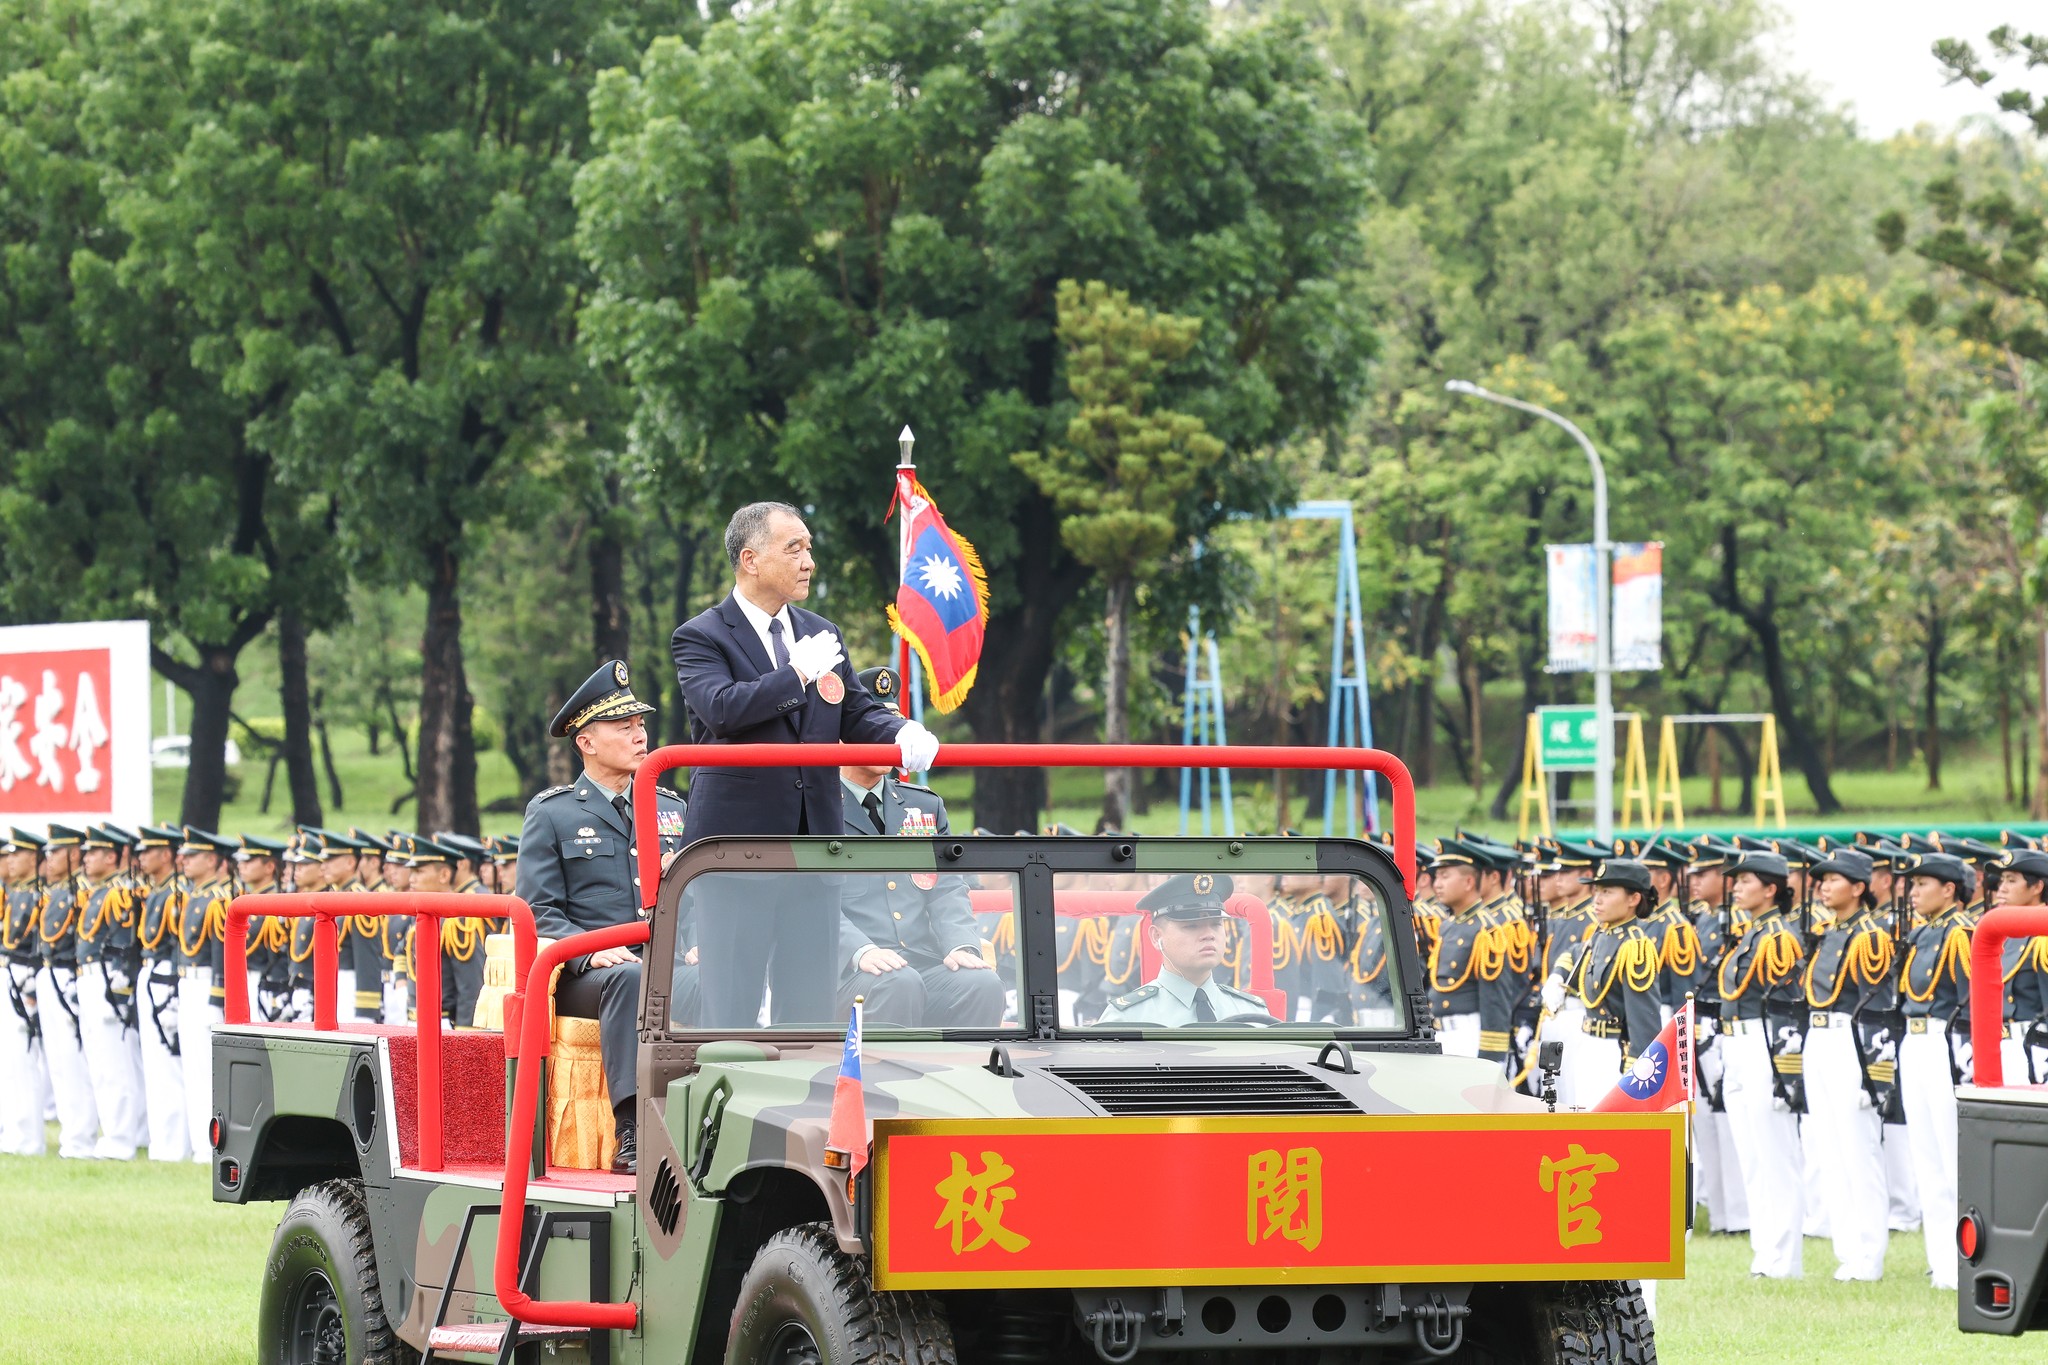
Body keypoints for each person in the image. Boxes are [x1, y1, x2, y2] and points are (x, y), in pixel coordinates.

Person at [671, 501, 938, 1028]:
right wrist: (793, 676)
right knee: (731, 1008)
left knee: (809, 1011)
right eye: (793, 548)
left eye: (809, 548)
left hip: (815, 845)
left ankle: (805, 1107)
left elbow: (856, 712)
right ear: (750, 559)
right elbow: (722, 710)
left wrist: (901, 730)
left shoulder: (821, 631)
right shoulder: (702, 635)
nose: (808, 561)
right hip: (736, 849)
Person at [517, 659, 690, 1174]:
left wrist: (699, 940)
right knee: (631, 977)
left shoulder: (669, 807)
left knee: (720, 973)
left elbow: (696, 895)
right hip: (588, 974)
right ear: (586, 743)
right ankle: (634, 1128)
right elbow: (538, 911)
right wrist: (588, 949)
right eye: (624, 727)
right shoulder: (552, 813)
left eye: (640, 725)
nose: (640, 736)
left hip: (658, 960)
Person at [837, 674, 1004, 1028]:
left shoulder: (923, 806)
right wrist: (859, 950)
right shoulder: (814, 809)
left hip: (918, 963)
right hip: (844, 970)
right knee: (899, 984)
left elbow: (946, 887)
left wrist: (961, 946)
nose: (886, 741)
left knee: (981, 984)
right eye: (874, 729)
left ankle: (963, 1084)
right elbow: (807, 899)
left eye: (892, 729)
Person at [1800, 848, 1895, 1282]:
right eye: (1823, 878)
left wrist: (1875, 1072)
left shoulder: (1869, 936)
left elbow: (1877, 1006)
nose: (1824, 885)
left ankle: (1869, 1255)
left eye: (1834, 879)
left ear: (1859, 888)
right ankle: (1848, 1253)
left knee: (1859, 1150)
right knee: (1829, 1148)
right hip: (1818, 1037)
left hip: (1849, 1040)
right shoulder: (1827, 932)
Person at [1716, 848, 1807, 1279]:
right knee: (1752, 1156)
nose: (1736, 887)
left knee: (1776, 1155)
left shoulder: (1778, 939)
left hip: (1763, 1046)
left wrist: (1785, 1074)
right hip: (1738, 1045)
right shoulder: (1751, 934)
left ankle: (1784, 1260)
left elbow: (1788, 1011)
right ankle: (1765, 1254)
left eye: (1746, 881)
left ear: (1771, 889)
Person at [1898, 850, 1974, 1292]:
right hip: (1915, 1040)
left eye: (1922, 884)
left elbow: (1969, 1000)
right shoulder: (1922, 934)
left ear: (1949, 890)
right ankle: (1942, 1265)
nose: (1914, 891)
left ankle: (1965, 1261)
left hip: (1945, 1043)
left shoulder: (1960, 933)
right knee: (1926, 1159)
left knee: (1953, 1160)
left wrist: (1969, 1059)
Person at [1097, 874, 1273, 1026]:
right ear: (1157, 936)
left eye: (1216, 924)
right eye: (1191, 926)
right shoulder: (1127, 1018)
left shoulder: (1251, 1012)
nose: (1208, 934)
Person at [1557, 859, 1663, 1110]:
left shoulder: (1635, 946)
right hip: (1589, 1045)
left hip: (1615, 1053)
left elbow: (1644, 1023)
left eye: (1607, 892)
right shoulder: (1602, 934)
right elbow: (1574, 953)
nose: (1598, 899)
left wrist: (1638, 1075)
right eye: (1597, 891)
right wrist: (1557, 976)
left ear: (1633, 899)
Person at [73, 826, 144, 1159]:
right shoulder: (99, 892)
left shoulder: (117, 894)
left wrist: (119, 992)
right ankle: (113, 1133)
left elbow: (123, 947)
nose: (86, 858)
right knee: (99, 1065)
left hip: (105, 981)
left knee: (114, 1065)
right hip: (88, 978)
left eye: (94, 852)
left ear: (113, 857)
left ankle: (120, 1138)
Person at [35, 825, 99, 1159]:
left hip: (70, 976)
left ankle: (81, 1137)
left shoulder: (84, 892)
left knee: (74, 1062)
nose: (49, 858)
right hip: (50, 973)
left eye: (56, 852)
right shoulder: (57, 891)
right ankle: (71, 1136)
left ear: (74, 854)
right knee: (59, 1062)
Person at [1426, 839, 1520, 1066]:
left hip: (1467, 1036)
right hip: (1440, 1034)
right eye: (1436, 876)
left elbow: (1495, 1000)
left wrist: (1491, 1059)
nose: (1437, 883)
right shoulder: (1447, 926)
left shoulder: (1487, 931)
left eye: (1445, 876)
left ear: (1469, 881)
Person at [176, 830, 237, 1162]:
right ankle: (197, 1145)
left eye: (193, 855)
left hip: (206, 987)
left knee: (205, 1070)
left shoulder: (218, 899)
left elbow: (220, 952)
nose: (185, 860)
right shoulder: (195, 896)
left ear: (213, 860)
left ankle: (208, 1145)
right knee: (191, 1068)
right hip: (188, 982)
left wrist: (219, 998)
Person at [132, 825, 189, 1162]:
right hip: (151, 972)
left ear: (166, 855)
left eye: (148, 851)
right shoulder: (156, 892)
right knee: (155, 1066)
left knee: (169, 1065)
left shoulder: (176, 895)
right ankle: (163, 1142)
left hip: (167, 975)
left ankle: (175, 1142)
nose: (141, 857)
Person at [0, 829, 53, 1157]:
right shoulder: (17, 894)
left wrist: (31, 985)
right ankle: (14, 1132)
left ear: (34, 857)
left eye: (17, 854)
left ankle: (29, 1138)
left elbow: (40, 944)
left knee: (23, 1059)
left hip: (24, 978)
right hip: (9, 972)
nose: (10, 860)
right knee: (9, 1062)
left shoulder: (39, 896)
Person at [1995, 847, 2048, 1086]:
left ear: (2037, 887)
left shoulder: (2043, 939)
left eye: (2011, 880)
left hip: (2036, 1045)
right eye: (2002, 880)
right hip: (2003, 1044)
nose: (2001, 888)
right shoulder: (2002, 934)